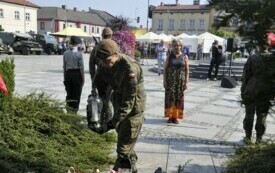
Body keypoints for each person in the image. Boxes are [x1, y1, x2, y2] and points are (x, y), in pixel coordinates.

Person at [90, 39, 146, 173]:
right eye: (101, 61)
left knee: (123, 151)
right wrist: (95, 105)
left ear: (116, 54)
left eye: (107, 60)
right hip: (118, 105)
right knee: (126, 144)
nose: (104, 64)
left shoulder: (129, 68)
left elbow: (128, 103)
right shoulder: (105, 63)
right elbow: (98, 84)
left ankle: (122, 168)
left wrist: (110, 124)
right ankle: (132, 169)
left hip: (133, 112)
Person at [241, 52, 274, 144]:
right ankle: (259, 139)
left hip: (251, 88)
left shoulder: (253, 57)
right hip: (265, 90)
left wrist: (243, 89)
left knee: (249, 114)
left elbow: (246, 75)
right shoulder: (272, 60)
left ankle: (248, 137)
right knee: (262, 115)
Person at [89, 27, 114, 125]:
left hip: (99, 78)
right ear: (111, 36)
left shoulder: (96, 48)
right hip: (111, 79)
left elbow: (91, 66)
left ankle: (98, 120)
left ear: (102, 36)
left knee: (98, 99)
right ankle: (107, 122)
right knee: (108, 101)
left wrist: (93, 81)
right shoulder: (114, 46)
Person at [163, 39, 189, 124]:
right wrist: (164, 81)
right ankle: (170, 117)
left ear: (181, 46)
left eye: (178, 45)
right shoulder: (169, 56)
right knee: (170, 99)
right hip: (171, 81)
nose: (176, 47)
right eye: (175, 45)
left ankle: (176, 117)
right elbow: (165, 69)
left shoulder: (185, 57)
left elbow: (187, 70)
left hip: (180, 82)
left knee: (179, 99)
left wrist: (186, 82)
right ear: (172, 46)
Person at [63, 36, 84, 113]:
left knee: (69, 93)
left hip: (68, 74)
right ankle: (75, 110)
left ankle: (68, 109)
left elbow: (64, 67)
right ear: (78, 44)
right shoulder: (79, 54)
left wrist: (65, 78)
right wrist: (83, 79)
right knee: (77, 94)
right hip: (77, 74)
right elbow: (81, 68)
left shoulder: (65, 53)